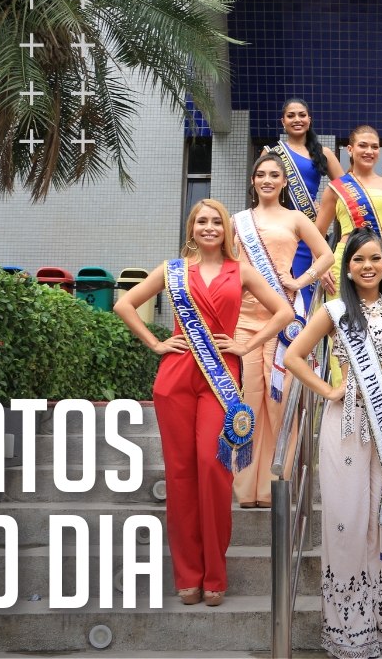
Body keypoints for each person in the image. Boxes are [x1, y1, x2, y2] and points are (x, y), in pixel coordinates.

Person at [114, 199, 292, 607]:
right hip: (176, 377)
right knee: (180, 475)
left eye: (217, 222)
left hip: (221, 378)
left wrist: (247, 343)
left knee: (214, 470)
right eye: (202, 222)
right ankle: (188, 575)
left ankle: (215, 572)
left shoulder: (241, 271)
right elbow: (125, 303)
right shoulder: (172, 271)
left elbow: (283, 312)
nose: (209, 227)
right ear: (191, 228)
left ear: (226, 230)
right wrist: (157, 343)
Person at [283, 228, 382, 657]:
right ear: (347, 266)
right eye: (359, 259)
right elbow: (294, 357)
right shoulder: (334, 311)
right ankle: (350, 630)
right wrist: (328, 391)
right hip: (345, 421)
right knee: (348, 518)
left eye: (376, 260)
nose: (368, 267)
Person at [230, 153, 335, 508]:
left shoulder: (296, 219)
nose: (267, 180)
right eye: (260, 174)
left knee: (277, 403)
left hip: (283, 319)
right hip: (242, 320)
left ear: (285, 181)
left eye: (274, 175)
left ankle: (277, 484)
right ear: (253, 180)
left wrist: (300, 280)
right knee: (248, 401)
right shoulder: (238, 221)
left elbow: (326, 256)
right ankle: (247, 488)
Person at [314, 125, 382, 297]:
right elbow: (316, 235)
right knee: (342, 318)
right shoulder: (336, 188)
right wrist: (320, 267)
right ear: (350, 150)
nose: (369, 151)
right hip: (344, 260)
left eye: (375, 147)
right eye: (363, 145)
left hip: (380, 260)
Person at [261, 98, 346, 303]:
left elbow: (345, 193)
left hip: (307, 233)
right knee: (274, 290)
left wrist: (325, 206)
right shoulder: (271, 153)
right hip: (276, 230)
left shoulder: (324, 153)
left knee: (304, 293)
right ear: (283, 121)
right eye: (291, 116)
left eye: (302, 115)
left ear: (309, 119)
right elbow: (258, 195)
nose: (297, 119)